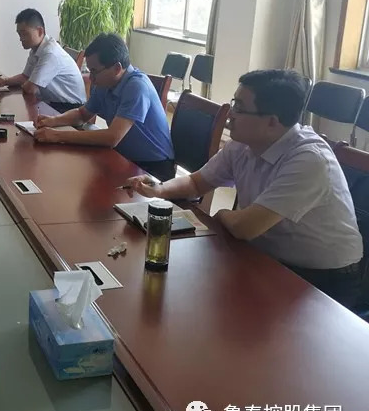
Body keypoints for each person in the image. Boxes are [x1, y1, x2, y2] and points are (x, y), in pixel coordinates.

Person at [127, 69, 364, 308]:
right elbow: (196, 183)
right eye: (233, 104)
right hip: (267, 256)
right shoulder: (242, 144)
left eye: (239, 108)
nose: (231, 114)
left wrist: (222, 215)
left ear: (272, 121)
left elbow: (245, 227)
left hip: (323, 279)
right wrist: (160, 189)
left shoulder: (309, 160)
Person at [34, 32, 175, 181]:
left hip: (153, 168)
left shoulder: (137, 87)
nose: (91, 78)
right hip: (123, 157)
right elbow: (82, 114)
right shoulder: (104, 83)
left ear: (117, 68)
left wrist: (57, 136)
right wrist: (53, 121)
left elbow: (112, 137)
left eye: (94, 72)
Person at [0, 9, 86, 107]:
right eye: (19, 34)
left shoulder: (50, 53)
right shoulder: (36, 49)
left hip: (70, 108)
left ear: (40, 31)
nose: (21, 39)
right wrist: (4, 81)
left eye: (24, 34)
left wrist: (28, 83)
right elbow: (25, 77)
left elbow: (30, 89)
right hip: (52, 103)